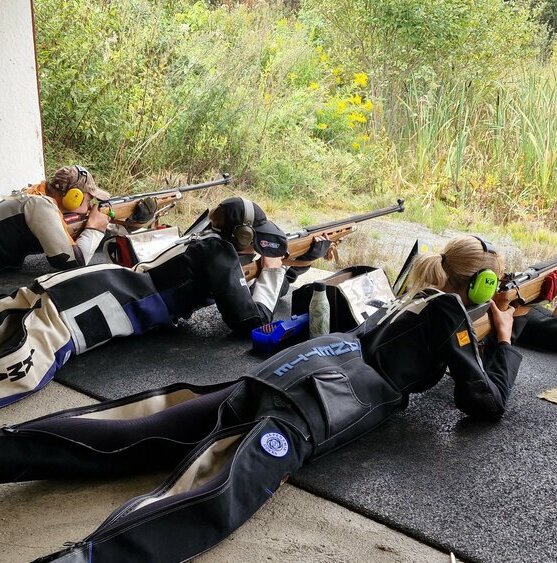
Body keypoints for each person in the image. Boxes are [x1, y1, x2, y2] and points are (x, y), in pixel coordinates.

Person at [0, 235, 522, 562]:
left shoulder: (413, 299)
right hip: (319, 404)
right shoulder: (447, 313)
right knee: (217, 493)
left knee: (136, 428)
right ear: (481, 285)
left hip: (291, 371)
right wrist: (502, 340)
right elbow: (484, 400)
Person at [0, 196, 288, 407]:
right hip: (77, 309)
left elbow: (228, 284)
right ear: (242, 235)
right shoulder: (218, 250)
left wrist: (275, 272)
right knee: (20, 369)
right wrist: (273, 272)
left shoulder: (199, 240)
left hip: (81, 285)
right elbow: (250, 321)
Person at [0, 165, 112, 271]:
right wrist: (95, 228)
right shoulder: (39, 205)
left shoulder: (35, 197)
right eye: (88, 201)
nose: (90, 207)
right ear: (74, 197)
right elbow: (72, 262)